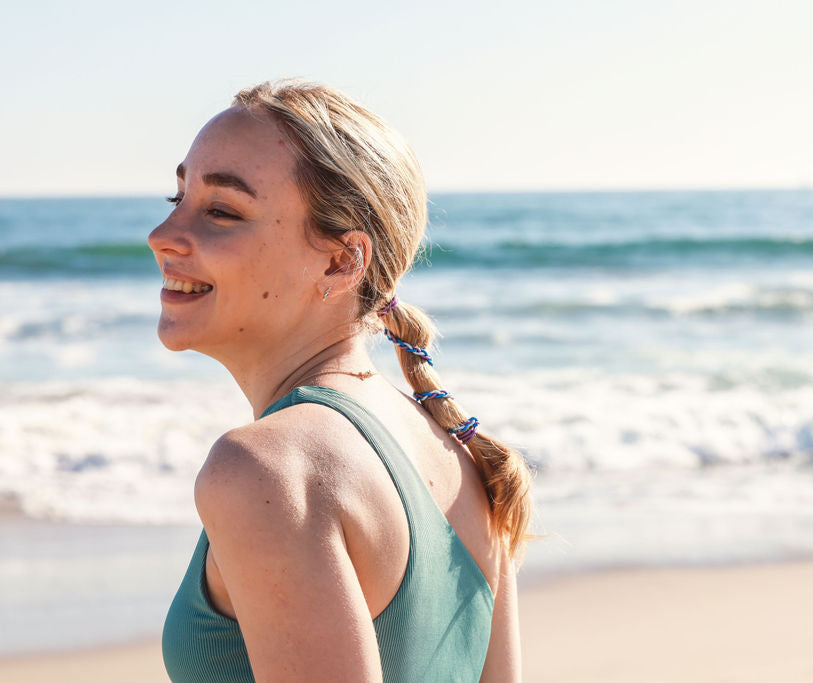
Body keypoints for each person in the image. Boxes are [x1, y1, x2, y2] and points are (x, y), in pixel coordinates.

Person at [150, 78, 532, 682]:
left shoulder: (266, 468)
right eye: (177, 200)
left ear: (339, 261)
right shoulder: (457, 455)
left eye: (221, 210)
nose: (163, 236)